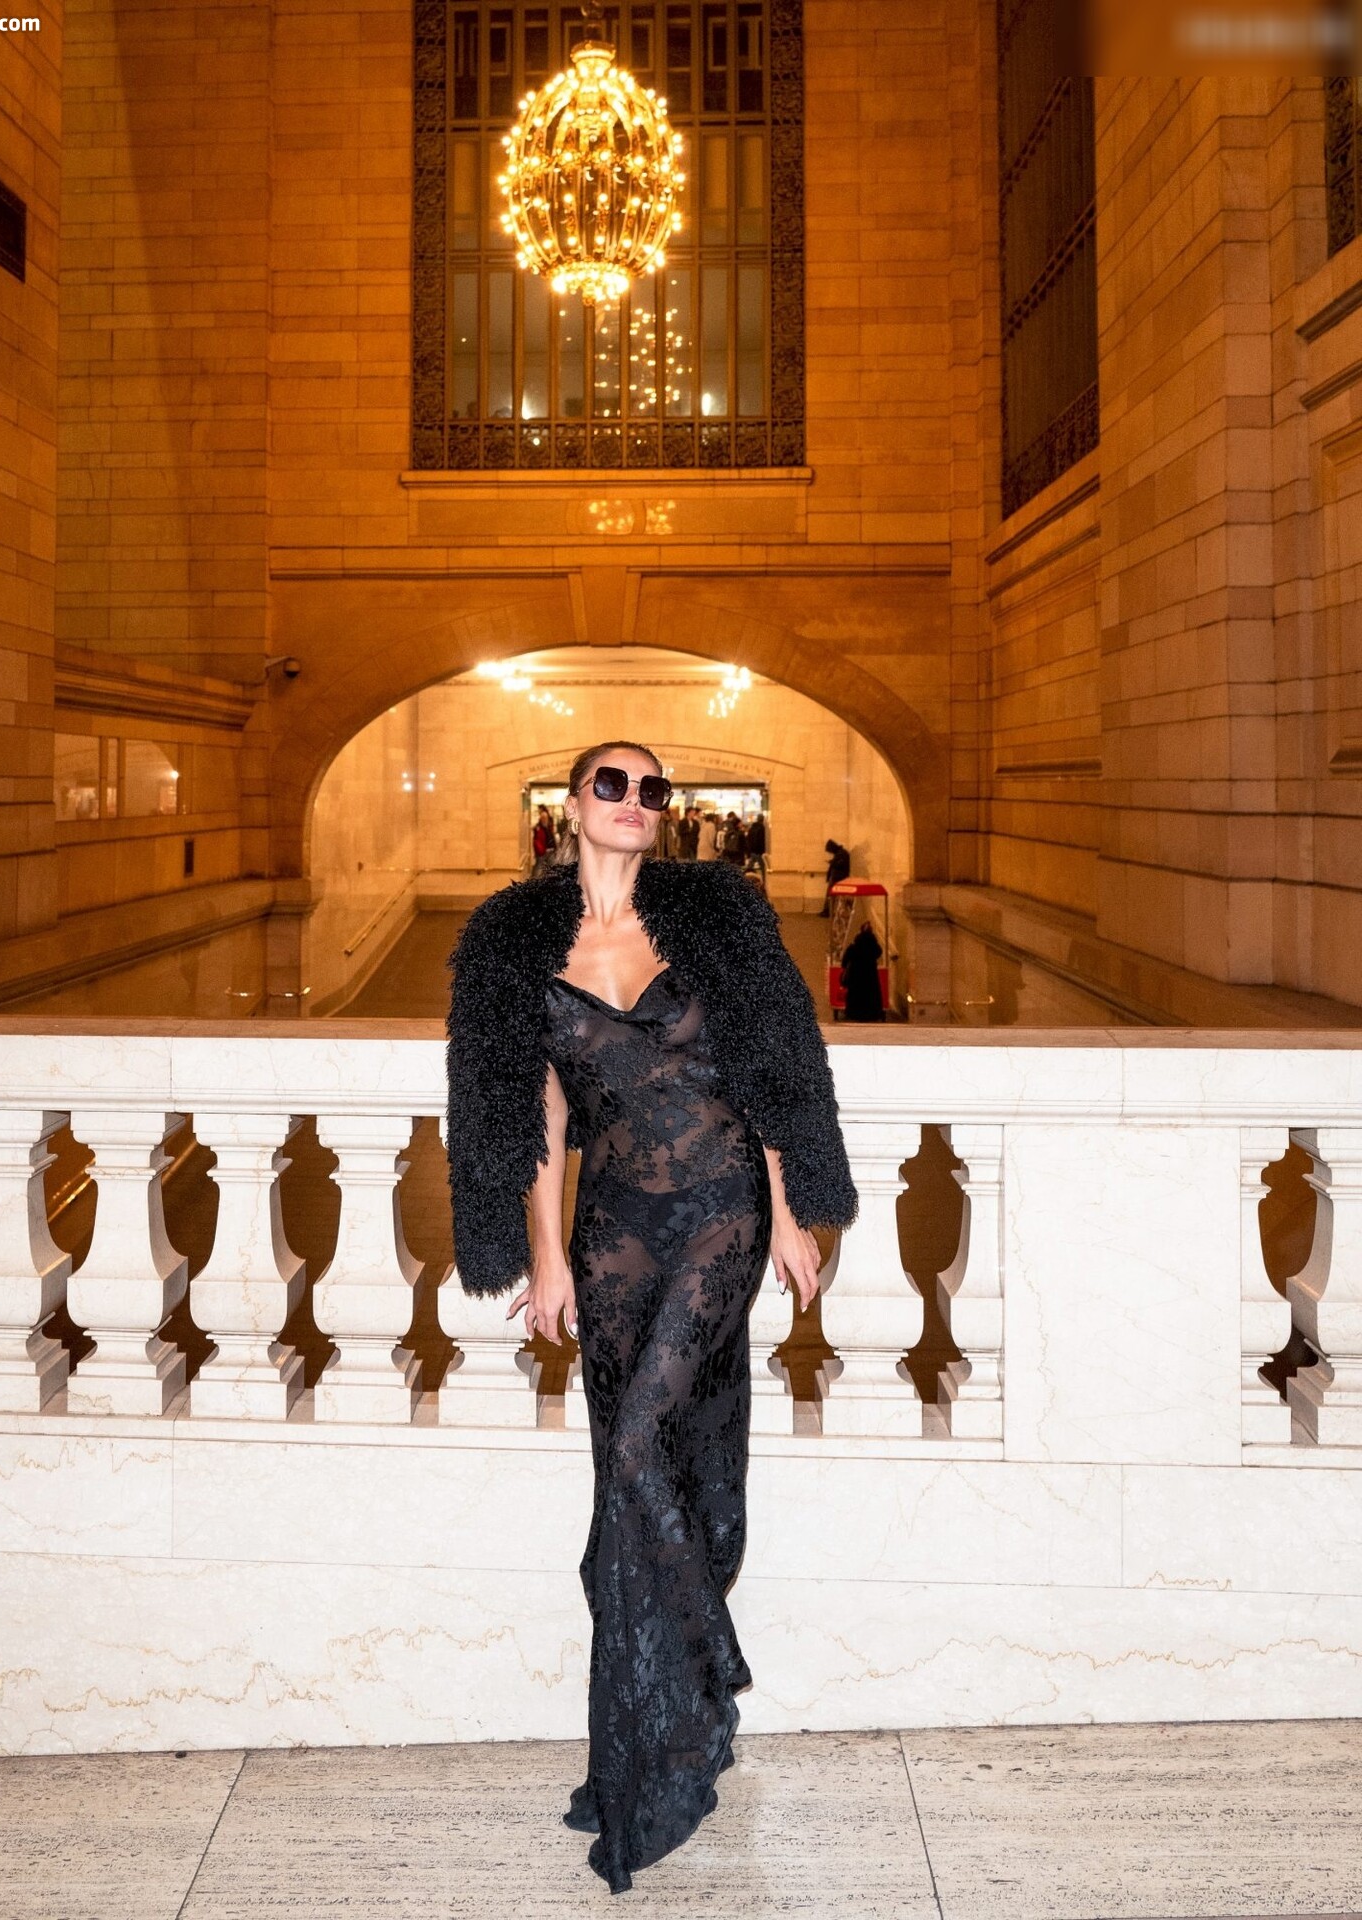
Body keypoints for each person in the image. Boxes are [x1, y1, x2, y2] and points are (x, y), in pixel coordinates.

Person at [446, 740, 858, 1896]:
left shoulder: (715, 918)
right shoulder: (519, 943)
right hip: (612, 1230)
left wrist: (793, 1209)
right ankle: (646, 1739)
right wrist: (544, 1256)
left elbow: (770, 1069)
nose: (633, 802)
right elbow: (528, 1112)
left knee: (639, 1449)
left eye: (651, 789)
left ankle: (703, 1666)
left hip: (722, 1209)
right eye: (611, 785)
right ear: (573, 804)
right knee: (631, 1473)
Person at [840, 920, 886, 1022]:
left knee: (855, 994)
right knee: (871, 994)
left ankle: (854, 1013)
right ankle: (871, 1014)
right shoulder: (873, 945)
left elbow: (845, 959)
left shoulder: (855, 945)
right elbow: (879, 952)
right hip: (870, 975)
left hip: (856, 975)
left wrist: (845, 967)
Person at [821, 838, 851, 915]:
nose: (830, 853)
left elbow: (840, 864)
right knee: (836, 895)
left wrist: (832, 863)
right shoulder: (842, 853)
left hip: (837, 877)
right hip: (839, 877)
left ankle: (827, 911)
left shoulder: (841, 854)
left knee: (831, 895)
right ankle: (828, 910)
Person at [531, 804, 556, 876]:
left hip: (546, 848)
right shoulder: (547, 824)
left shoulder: (543, 824)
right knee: (548, 866)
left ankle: (535, 879)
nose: (544, 819)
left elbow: (546, 836)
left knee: (540, 866)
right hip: (546, 848)